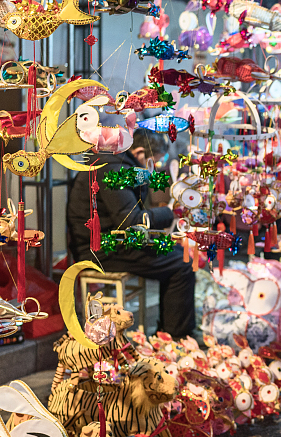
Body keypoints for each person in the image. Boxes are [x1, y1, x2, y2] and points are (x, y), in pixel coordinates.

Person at [67, 129, 197, 339]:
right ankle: (175, 337)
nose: (152, 169)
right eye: (152, 163)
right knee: (182, 264)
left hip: (109, 241)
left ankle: (169, 333)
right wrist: (170, 213)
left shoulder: (113, 162)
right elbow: (130, 220)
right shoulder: (113, 168)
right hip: (102, 249)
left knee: (175, 253)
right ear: (138, 152)